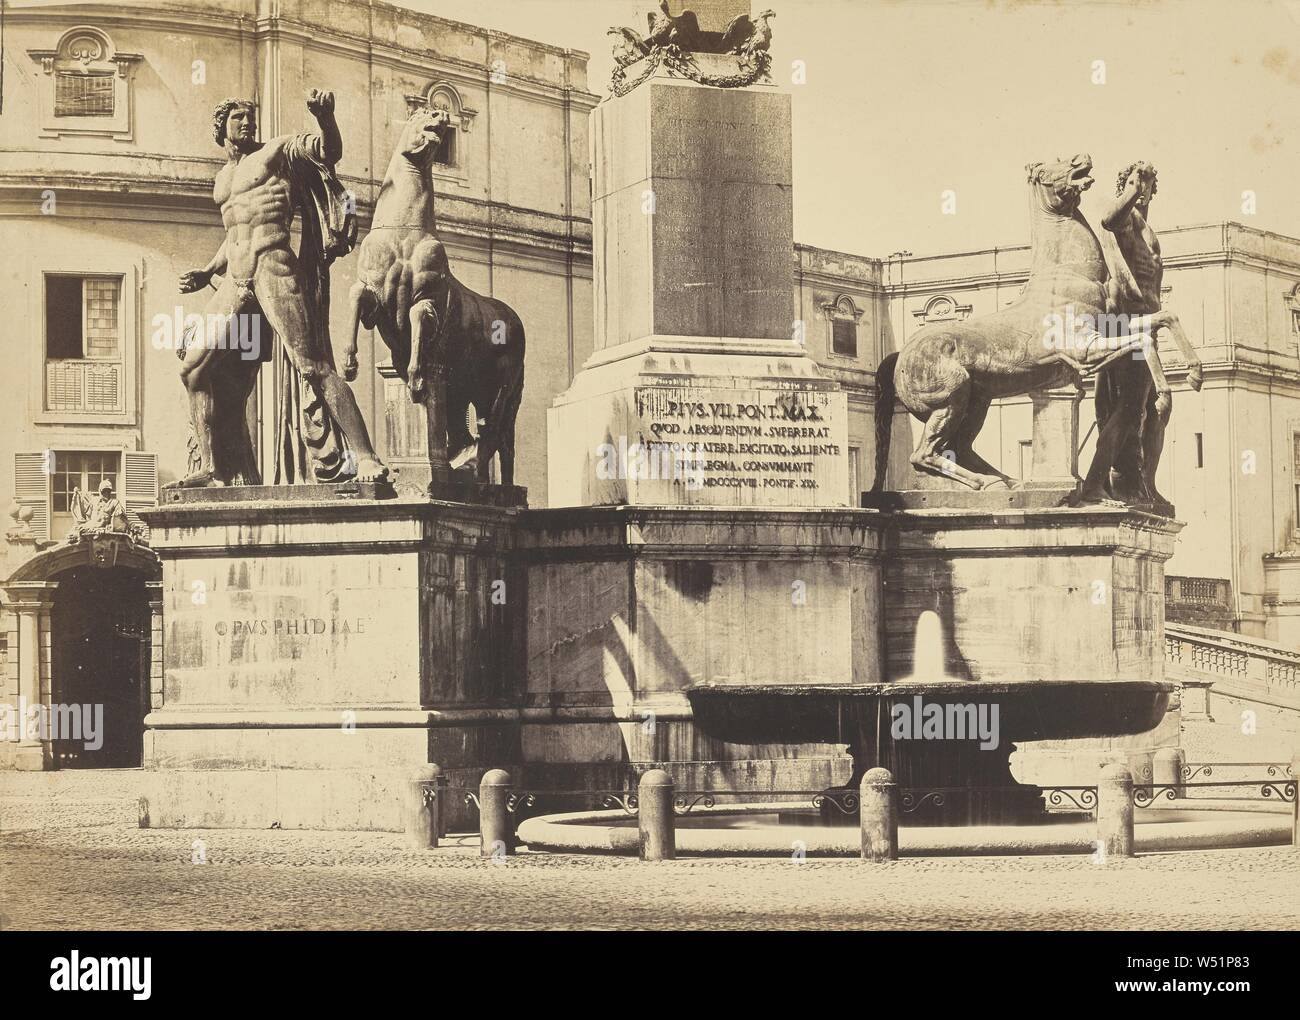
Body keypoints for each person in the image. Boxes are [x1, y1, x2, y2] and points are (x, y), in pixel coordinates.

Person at [174, 90, 385, 486]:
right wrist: (206, 272)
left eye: (250, 116)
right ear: (222, 128)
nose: (247, 123)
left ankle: (367, 457)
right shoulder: (222, 180)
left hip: (273, 265)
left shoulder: (274, 154)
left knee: (313, 366)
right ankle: (209, 466)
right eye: (238, 117)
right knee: (193, 369)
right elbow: (235, 234)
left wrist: (325, 118)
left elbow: (327, 151)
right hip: (236, 278)